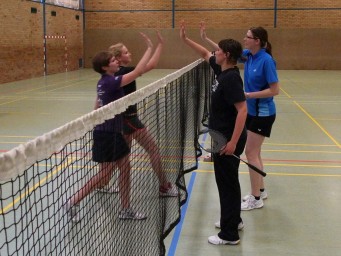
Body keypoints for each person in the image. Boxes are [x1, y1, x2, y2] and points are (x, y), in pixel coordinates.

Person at [64, 32, 154, 222]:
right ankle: (73, 201)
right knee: (105, 175)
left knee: (124, 167)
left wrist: (97, 117)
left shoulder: (102, 83)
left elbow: (97, 105)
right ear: (106, 67)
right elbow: (138, 71)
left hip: (111, 132)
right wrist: (149, 48)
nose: (116, 62)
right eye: (113, 61)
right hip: (108, 134)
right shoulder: (111, 82)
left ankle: (125, 208)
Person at [180, 21, 247, 245]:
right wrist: (185, 39)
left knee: (226, 184)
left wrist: (233, 143)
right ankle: (233, 220)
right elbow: (204, 53)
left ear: (226, 55)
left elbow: (243, 110)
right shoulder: (222, 69)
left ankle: (229, 235)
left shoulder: (231, 80)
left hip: (228, 140)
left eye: (219, 50)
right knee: (229, 182)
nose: (214, 52)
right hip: (222, 137)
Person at [200, 23, 280, 211]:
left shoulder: (266, 60)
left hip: (263, 112)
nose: (244, 39)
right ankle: (260, 189)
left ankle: (256, 197)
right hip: (252, 111)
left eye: (248, 37)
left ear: (257, 41)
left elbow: (275, 90)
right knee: (256, 152)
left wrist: (248, 95)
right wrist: (205, 39)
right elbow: (228, 52)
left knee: (251, 153)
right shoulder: (249, 55)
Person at [96, 31, 178, 197]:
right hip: (129, 119)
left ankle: (102, 182)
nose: (130, 53)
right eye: (126, 52)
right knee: (153, 149)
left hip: (121, 121)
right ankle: (164, 186)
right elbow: (151, 65)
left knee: (120, 157)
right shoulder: (123, 74)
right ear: (117, 58)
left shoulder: (114, 75)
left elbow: (99, 98)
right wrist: (158, 45)